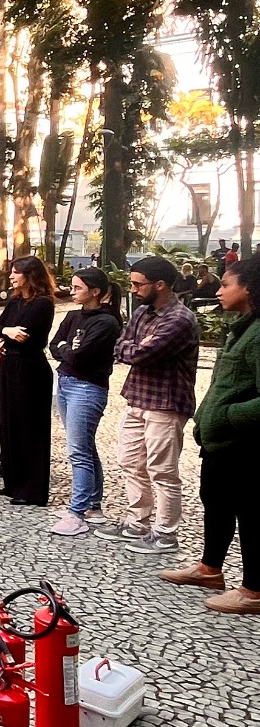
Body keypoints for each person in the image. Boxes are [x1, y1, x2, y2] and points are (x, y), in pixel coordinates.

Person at [159, 256, 260, 614]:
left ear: (248, 288)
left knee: (249, 512)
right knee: (215, 503)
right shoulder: (242, 327)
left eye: (225, 285)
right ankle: (209, 569)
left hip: (244, 444)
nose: (218, 291)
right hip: (219, 442)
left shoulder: (258, 332)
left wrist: (229, 416)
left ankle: (253, 591)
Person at [95, 256, 201, 555]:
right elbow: (122, 346)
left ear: (160, 284)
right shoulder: (143, 313)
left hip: (166, 403)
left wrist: (136, 347)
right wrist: (135, 346)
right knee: (130, 463)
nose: (132, 289)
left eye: (138, 284)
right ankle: (136, 522)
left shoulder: (180, 319)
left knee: (163, 471)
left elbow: (144, 354)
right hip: (137, 397)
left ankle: (166, 533)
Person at [47, 267, 123, 535]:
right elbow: (55, 345)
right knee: (85, 447)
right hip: (66, 383)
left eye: (78, 288)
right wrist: (68, 350)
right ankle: (92, 504)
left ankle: (77, 512)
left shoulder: (107, 322)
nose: (73, 292)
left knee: (78, 451)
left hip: (88, 387)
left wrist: (67, 350)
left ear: (96, 292)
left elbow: (80, 356)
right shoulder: (72, 316)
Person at [0, 255, 56, 506]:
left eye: (16, 273)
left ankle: (32, 489)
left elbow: (26, 335)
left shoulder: (42, 304)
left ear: (30, 276)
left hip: (30, 367)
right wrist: (6, 331)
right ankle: (13, 482)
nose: (11, 276)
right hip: (9, 364)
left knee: (30, 428)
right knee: (9, 424)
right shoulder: (15, 302)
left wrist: (8, 332)